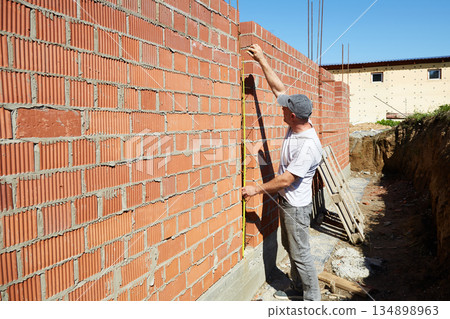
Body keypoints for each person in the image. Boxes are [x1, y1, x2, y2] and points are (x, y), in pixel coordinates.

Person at [242, 44, 323, 301]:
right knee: (291, 246)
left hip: (296, 206)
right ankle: (298, 288)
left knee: (300, 252)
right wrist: (262, 59)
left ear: (293, 116)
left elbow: (288, 179)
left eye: (285, 110)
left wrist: (256, 189)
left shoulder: (308, 145)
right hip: (289, 201)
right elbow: (279, 89)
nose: (282, 109)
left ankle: (312, 300)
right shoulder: (298, 122)